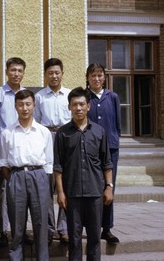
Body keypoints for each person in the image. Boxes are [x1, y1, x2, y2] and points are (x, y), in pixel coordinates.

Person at [54, 87, 113, 261]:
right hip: (72, 193)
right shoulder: (63, 133)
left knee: (94, 237)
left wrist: (109, 187)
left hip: (95, 192)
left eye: (81, 104)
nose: (78, 108)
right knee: (74, 238)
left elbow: (107, 163)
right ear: (69, 107)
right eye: (74, 105)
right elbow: (58, 166)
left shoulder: (99, 132)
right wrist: (61, 192)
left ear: (89, 106)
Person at [0, 89, 53, 261]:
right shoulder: (7, 133)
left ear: (34, 106)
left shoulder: (43, 132)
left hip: (39, 176)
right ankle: (16, 257)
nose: (24, 108)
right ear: (15, 107)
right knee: (17, 224)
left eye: (28, 104)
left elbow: (49, 163)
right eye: (20, 105)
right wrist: (15, 179)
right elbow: (3, 163)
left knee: (41, 223)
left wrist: (45, 183)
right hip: (16, 177)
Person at [0, 57, 27, 246]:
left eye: (20, 70)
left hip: (23, 148)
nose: (16, 73)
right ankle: (2, 230)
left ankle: (20, 229)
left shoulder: (27, 95)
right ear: (6, 72)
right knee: (3, 190)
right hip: (4, 148)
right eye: (13, 70)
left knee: (24, 191)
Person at [33, 58, 71, 245]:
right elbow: (37, 123)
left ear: (62, 74)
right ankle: (47, 229)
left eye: (57, 72)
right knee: (46, 187)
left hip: (66, 139)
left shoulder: (69, 95)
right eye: (50, 73)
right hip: (47, 138)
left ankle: (64, 228)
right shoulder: (39, 97)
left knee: (66, 184)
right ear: (45, 74)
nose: (54, 76)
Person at [86, 63, 121, 244]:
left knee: (109, 186)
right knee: (91, 187)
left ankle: (106, 228)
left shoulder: (112, 96)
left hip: (110, 148)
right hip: (90, 149)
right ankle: (90, 225)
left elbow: (118, 125)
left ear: (104, 77)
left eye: (100, 75)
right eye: (93, 75)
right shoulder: (85, 97)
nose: (97, 78)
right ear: (88, 78)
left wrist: (114, 141)